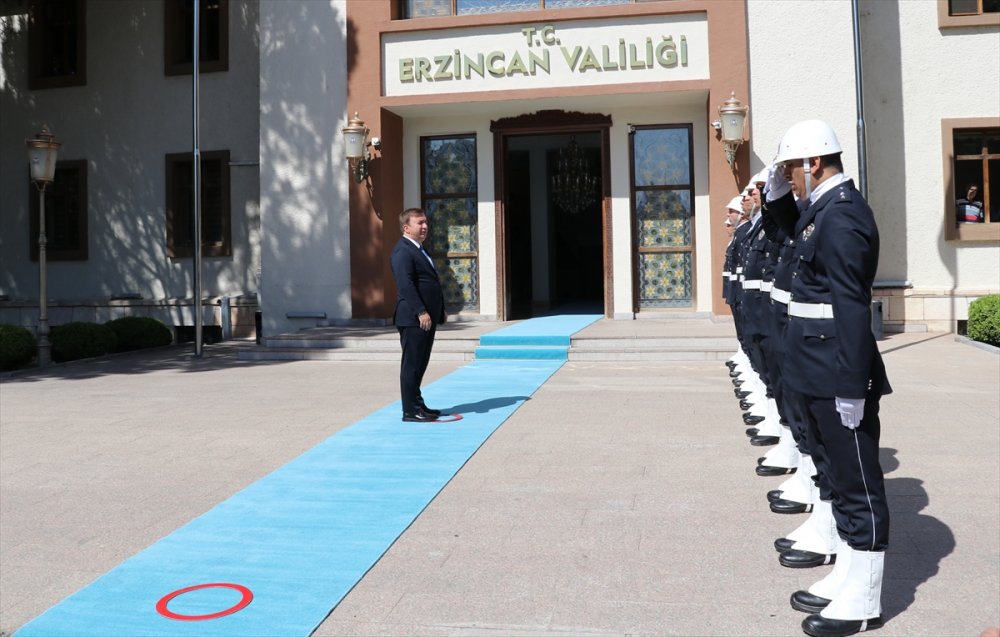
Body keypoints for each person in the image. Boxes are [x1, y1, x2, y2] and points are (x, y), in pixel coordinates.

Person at [764, 120, 892, 637]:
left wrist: (851, 385)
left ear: (812, 163)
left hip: (836, 373)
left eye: (792, 170)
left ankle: (863, 599)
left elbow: (851, 307)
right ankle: (847, 573)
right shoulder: (821, 211)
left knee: (858, 485)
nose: (790, 180)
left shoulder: (843, 218)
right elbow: (790, 239)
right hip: (812, 369)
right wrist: (776, 198)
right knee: (836, 479)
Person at [390, 208, 447, 422]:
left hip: (426, 318)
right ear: (406, 228)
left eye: (426, 222)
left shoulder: (419, 249)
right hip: (413, 318)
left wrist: (439, 310)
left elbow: (429, 282)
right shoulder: (403, 251)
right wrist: (421, 311)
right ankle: (410, 410)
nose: (424, 226)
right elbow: (406, 285)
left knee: (421, 362)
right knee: (412, 364)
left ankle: (417, 403)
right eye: (419, 223)